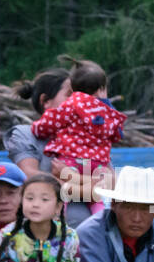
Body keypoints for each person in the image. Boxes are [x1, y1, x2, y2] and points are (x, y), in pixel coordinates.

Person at [31, 60, 126, 215]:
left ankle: (59, 220)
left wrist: (36, 129)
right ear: (102, 88)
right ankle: (100, 222)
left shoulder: (72, 104)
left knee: (63, 193)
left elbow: (50, 122)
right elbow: (117, 135)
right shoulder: (109, 111)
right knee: (97, 200)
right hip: (97, 165)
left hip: (71, 161)